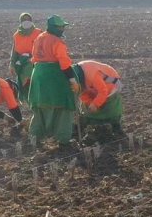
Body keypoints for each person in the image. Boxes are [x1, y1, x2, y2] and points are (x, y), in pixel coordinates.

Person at [29, 15, 81, 147]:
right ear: (53, 27)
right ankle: (63, 140)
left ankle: (34, 137)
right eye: (60, 26)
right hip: (54, 75)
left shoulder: (39, 38)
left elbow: (34, 57)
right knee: (63, 106)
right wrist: (73, 80)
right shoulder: (57, 42)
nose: (62, 29)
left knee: (40, 106)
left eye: (63, 26)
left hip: (38, 74)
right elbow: (64, 63)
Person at [75, 59, 124, 137]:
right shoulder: (74, 79)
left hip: (109, 86)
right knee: (87, 108)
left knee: (111, 108)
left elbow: (103, 91)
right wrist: (91, 103)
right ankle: (86, 127)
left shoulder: (91, 72)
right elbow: (82, 93)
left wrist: (95, 104)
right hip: (92, 89)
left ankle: (116, 127)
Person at [10, 13, 39, 93]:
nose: (27, 22)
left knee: (34, 85)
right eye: (24, 20)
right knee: (24, 87)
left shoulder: (38, 33)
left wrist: (30, 57)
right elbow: (14, 51)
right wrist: (12, 64)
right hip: (21, 65)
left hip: (34, 63)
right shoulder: (17, 35)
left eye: (28, 20)